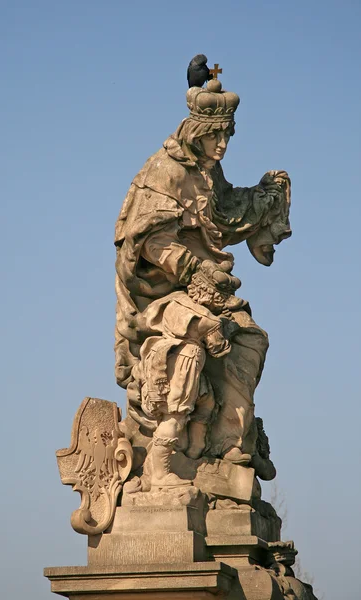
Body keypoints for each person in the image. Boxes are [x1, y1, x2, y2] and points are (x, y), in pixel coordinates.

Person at [115, 78, 291, 488]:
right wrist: (195, 271)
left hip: (207, 291)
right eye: (215, 136)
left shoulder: (208, 173)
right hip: (160, 296)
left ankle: (231, 445)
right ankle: (166, 454)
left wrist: (268, 196)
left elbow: (226, 212)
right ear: (197, 131)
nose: (223, 145)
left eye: (227, 136)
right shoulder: (165, 171)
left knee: (249, 340)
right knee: (197, 340)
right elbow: (150, 242)